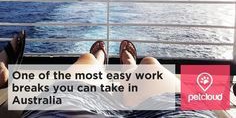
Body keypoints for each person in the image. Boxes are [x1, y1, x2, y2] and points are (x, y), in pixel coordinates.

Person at [1, 37, 217, 117]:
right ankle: (128, 68)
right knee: (150, 63)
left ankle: (99, 61)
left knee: (86, 59)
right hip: (178, 112)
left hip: (74, 108)